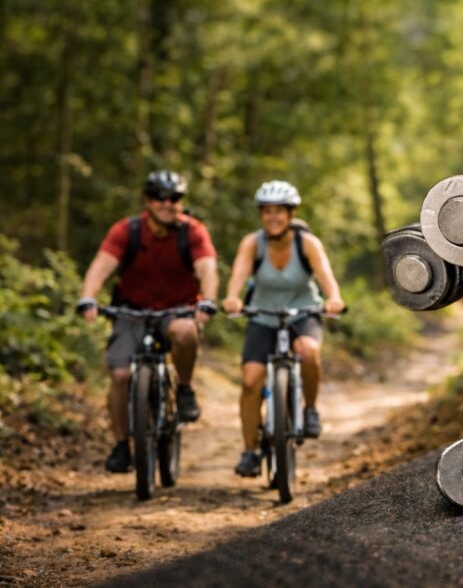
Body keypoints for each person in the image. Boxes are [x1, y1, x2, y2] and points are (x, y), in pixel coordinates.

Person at [76, 170, 219, 473]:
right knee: (119, 376)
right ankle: (120, 444)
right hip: (131, 311)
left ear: (181, 202)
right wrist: (88, 296)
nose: (167, 204)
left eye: (174, 198)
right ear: (147, 200)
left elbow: (207, 268)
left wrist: (207, 299)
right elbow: (101, 266)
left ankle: (184, 389)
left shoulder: (192, 231)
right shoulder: (127, 230)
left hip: (177, 310)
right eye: (159, 197)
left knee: (185, 331)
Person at [221, 181, 346, 478]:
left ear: (290, 214)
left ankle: (310, 409)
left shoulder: (307, 244)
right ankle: (250, 451)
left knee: (308, 350)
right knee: (251, 380)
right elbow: (239, 273)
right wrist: (232, 297)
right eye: (267, 211)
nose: (272, 217)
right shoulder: (252, 243)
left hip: (303, 313)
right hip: (262, 316)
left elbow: (325, 275)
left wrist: (334, 298)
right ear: (261, 215)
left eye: (279, 211)